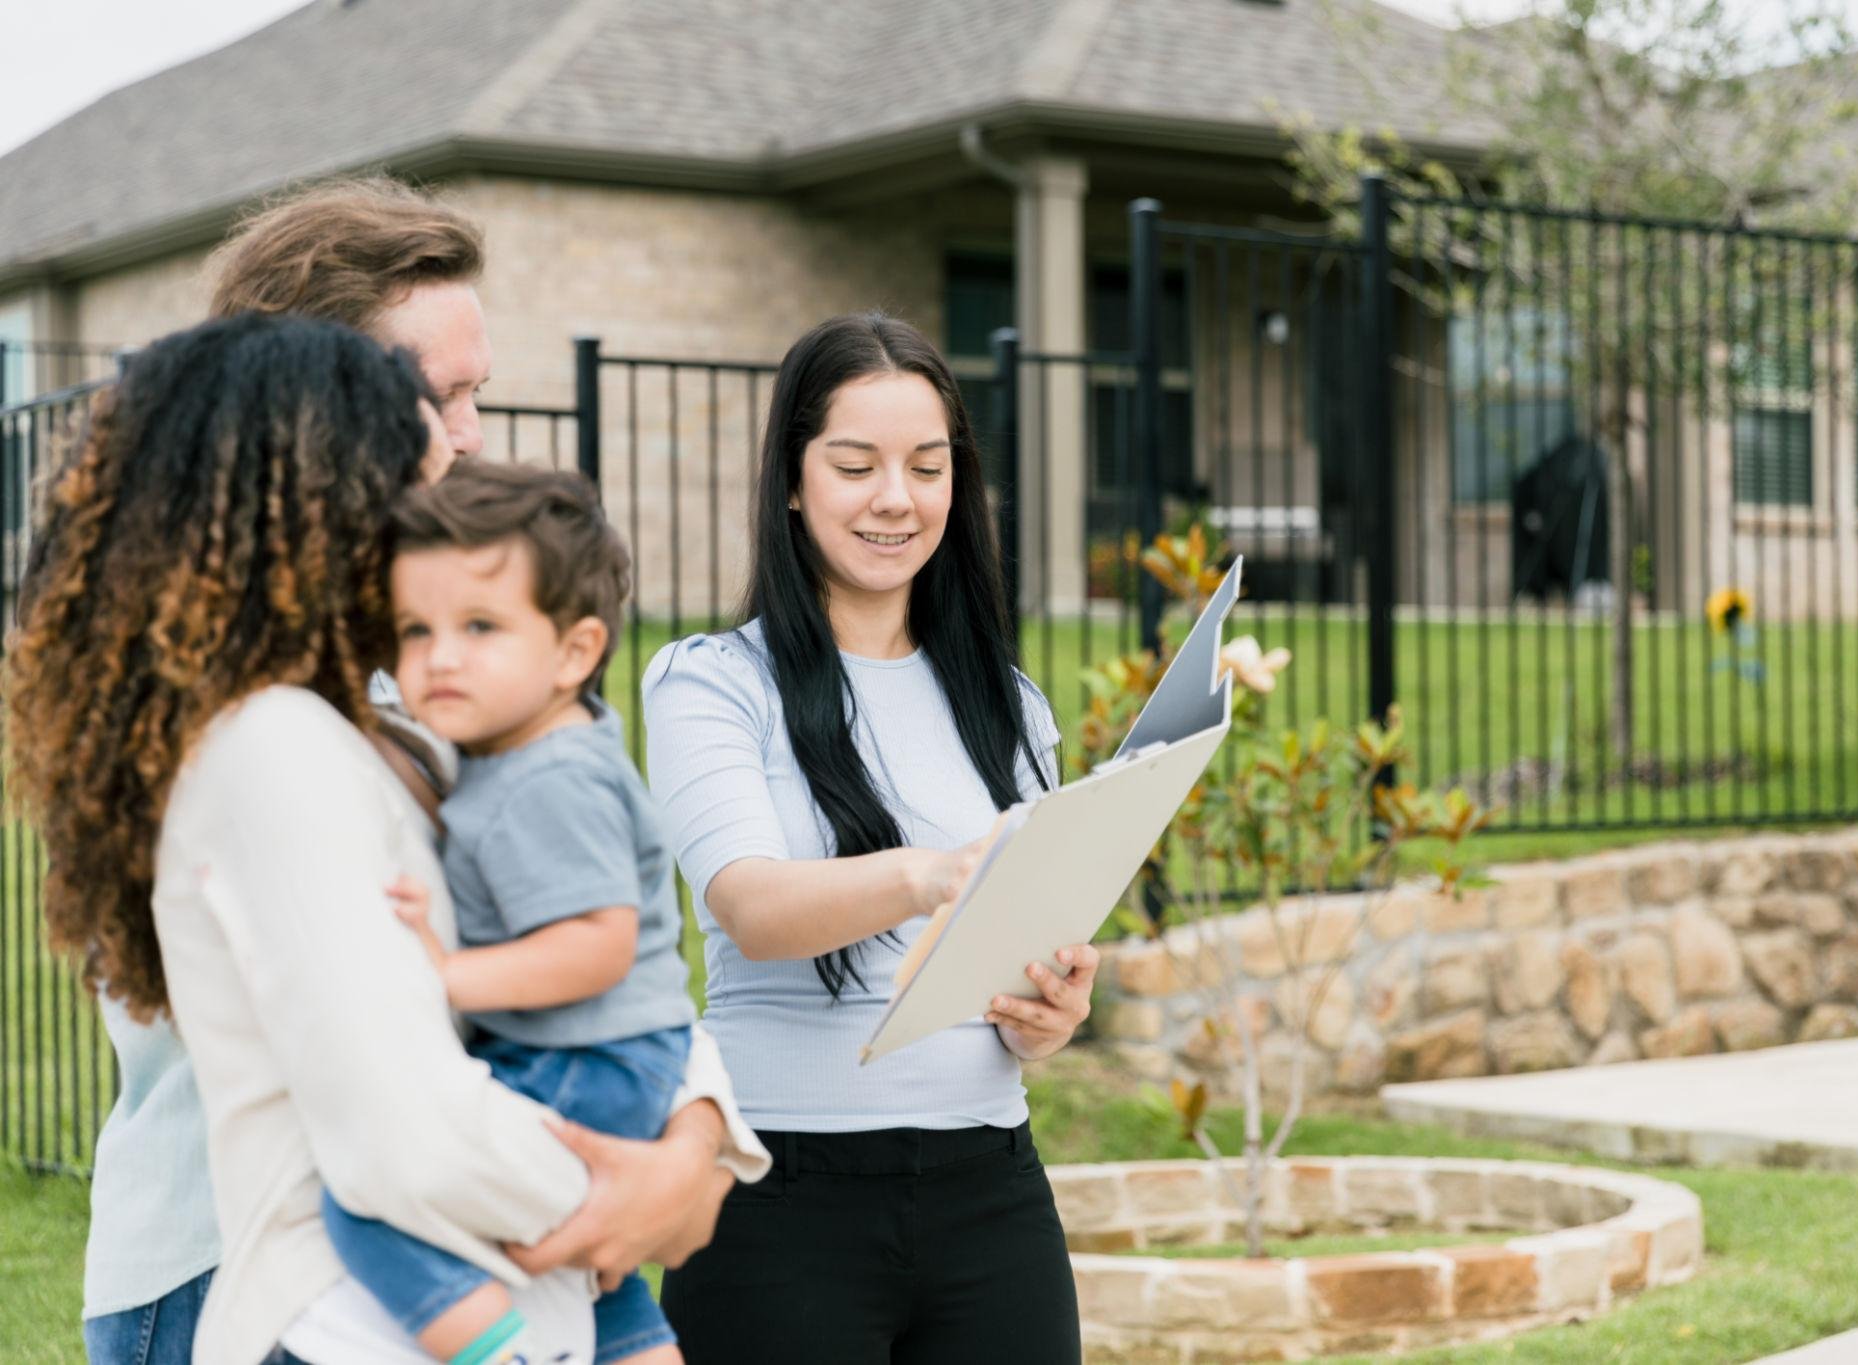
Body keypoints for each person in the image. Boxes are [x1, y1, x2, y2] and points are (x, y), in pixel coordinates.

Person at [70, 177, 758, 1364]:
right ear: (310, 414)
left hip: (459, 1239)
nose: (471, 433)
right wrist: (620, 1190)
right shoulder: (243, 714)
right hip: (248, 1266)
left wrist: (692, 1142)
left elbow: (604, 922)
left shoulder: (455, 663)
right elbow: (382, 1086)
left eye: (477, 389)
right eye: (436, 397)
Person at [644, 313, 1096, 1362]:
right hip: (777, 1201)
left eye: (927, 467)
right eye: (856, 465)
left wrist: (1049, 1010)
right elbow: (752, 909)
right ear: (792, 483)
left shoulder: (1010, 706)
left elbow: (1020, 951)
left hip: (990, 1191)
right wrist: (928, 876)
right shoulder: (712, 683)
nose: (896, 498)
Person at [322, 459, 691, 1365]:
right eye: (417, 629)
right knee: (592, 1269)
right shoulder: (524, 752)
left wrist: (446, 972)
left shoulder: (549, 779)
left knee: (369, 1191)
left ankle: (495, 1352)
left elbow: (597, 945)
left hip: (587, 1063)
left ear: (574, 650)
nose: (440, 656)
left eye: (480, 626)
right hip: (607, 1059)